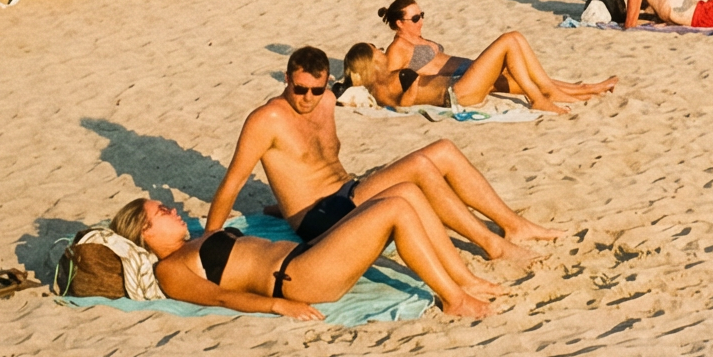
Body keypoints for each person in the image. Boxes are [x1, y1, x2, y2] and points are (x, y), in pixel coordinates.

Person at [206, 48, 560, 266]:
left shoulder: (328, 102)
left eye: (316, 89)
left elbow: (311, 165)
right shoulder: (266, 119)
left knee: (444, 150)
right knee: (420, 167)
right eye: (300, 89)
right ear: (286, 79)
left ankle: (513, 225)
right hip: (321, 219)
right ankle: (492, 244)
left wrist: (277, 205)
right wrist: (208, 239)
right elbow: (232, 183)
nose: (308, 98)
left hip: (348, 193)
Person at [117, 192, 497, 321]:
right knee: (394, 208)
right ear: (144, 233)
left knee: (403, 192)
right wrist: (277, 308)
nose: (172, 210)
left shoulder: (194, 243)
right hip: (299, 279)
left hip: (307, 257)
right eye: (161, 212)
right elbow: (218, 298)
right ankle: (455, 299)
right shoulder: (170, 268)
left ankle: (462, 279)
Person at [345, 1, 613, 115]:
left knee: (516, 47)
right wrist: (413, 83)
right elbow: (399, 100)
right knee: (511, 39)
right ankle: (541, 99)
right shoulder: (393, 60)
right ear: (398, 23)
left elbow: (399, 96)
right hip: (456, 88)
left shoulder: (390, 74)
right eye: (414, 18)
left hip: (459, 83)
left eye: (421, 15)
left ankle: (575, 90)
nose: (421, 20)